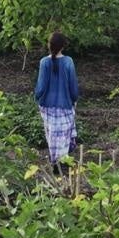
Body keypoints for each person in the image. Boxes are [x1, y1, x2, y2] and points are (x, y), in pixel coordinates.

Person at [34, 31, 79, 176]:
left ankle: (54, 162)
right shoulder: (68, 62)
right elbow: (73, 85)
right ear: (63, 46)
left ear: (49, 45)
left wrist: (37, 98)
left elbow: (41, 87)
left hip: (47, 106)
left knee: (52, 135)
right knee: (64, 135)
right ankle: (62, 162)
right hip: (65, 104)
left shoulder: (44, 62)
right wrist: (74, 99)